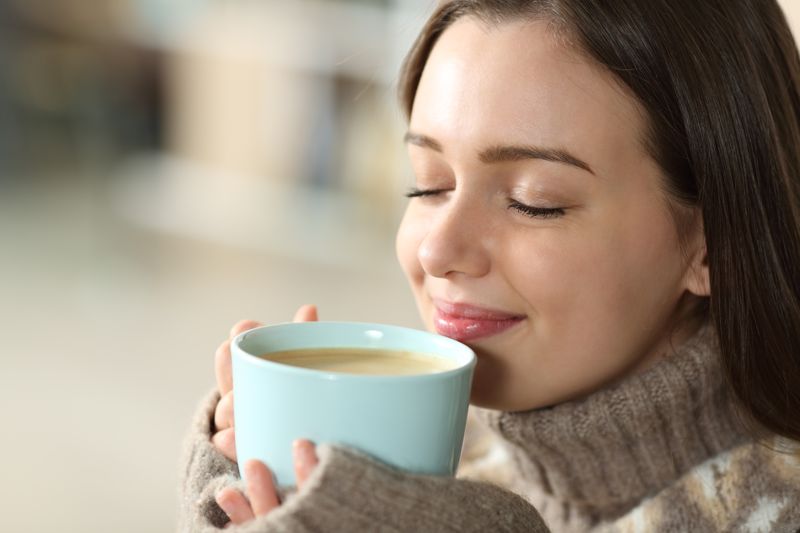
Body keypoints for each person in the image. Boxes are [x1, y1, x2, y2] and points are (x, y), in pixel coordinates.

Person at [178, 0, 800, 530]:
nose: (436, 251)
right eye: (427, 185)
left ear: (715, 240)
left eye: (535, 202)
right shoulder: (439, 469)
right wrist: (253, 488)